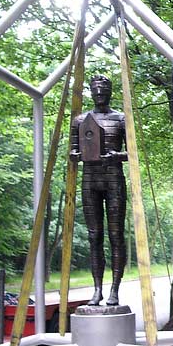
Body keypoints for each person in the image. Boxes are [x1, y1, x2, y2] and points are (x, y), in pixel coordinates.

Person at [69, 74, 128, 306]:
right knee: (94, 236)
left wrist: (117, 156)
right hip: (90, 180)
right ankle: (97, 290)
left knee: (115, 236)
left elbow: (131, 153)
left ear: (110, 92)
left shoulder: (121, 119)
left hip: (113, 179)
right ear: (91, 92)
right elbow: (73, 151)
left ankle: (115, 289)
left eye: (103, 91)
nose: (100, 94)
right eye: (96, 91)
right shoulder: (80, 120)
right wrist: (76, 155)